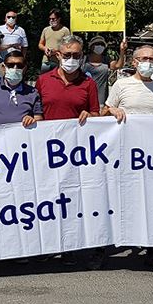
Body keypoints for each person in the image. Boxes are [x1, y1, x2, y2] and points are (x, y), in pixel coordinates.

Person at [104, 45, 153, 271]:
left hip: (151, 157)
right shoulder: (121, 85)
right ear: (134, 62)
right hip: (122, 154)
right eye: (143, 58)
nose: (147, 62)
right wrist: (113, 111)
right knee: (116, 200)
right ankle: (103, 249)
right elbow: (104, 111)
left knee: (152, 203)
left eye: (152, 59)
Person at [36, 35, 100, 266]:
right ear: (58, 55)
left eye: (76, 55)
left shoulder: (88, 83)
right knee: (46, 198)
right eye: (67, 55)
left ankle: (69, 247)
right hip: (45, 149)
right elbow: (36, 110)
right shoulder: (43, 80)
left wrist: (90, 116)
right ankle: (46, 245)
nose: (71, 59)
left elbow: (95, 112)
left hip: (74, 152)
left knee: (70, 200)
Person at [0, 50, 42, 127]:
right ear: (3, 67)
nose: (15, 68)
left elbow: (39, 118)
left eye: (19, 65)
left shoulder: (33, 92)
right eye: (11, 65)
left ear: (25, 68)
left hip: (22, 137)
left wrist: (32, 119)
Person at [83, 36, 127, 109]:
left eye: (102, 44)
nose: (99, 46)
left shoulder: (106, 60)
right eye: (97, 44)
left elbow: (118, 65)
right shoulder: (83, 59)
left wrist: (122, 51)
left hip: (100, 100)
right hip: (84, 98)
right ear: (91, 46)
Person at [38, 9, 71, 74]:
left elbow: (68, 46)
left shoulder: (65, 31)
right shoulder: (46, 30)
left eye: (53, 19)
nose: (51, 20)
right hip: (46, 61)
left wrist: (56, 50)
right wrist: (45, 49)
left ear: (59, 19)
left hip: (59, 61)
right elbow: (40, 44)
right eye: (50, 19)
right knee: (44, 80)